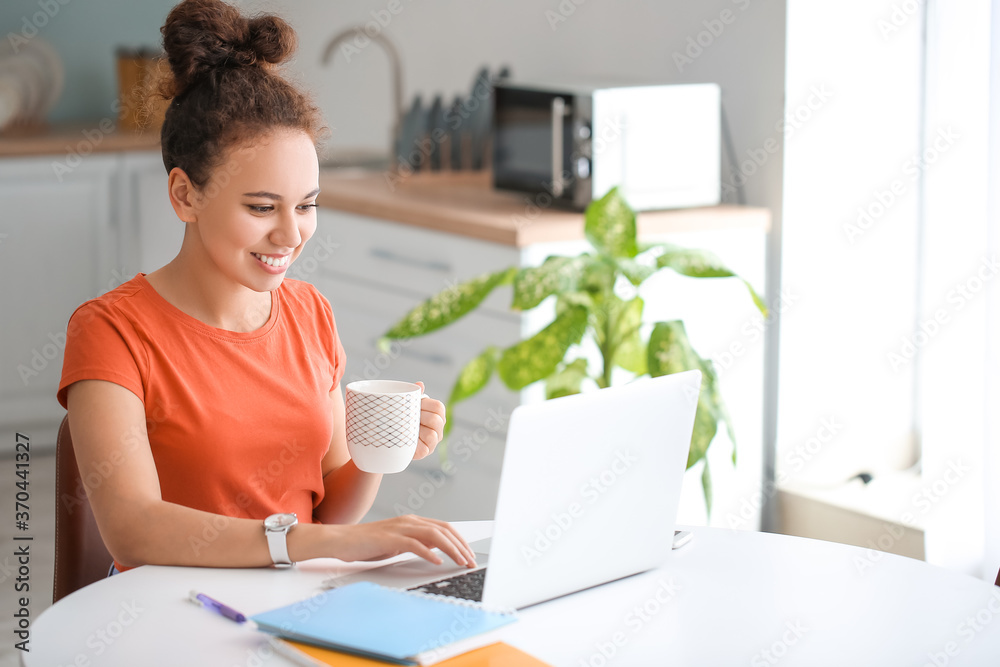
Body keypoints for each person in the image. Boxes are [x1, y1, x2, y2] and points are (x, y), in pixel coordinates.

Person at [56, 0, 476, 575]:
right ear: (185, 196)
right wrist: (315, 546)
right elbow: (134, 530)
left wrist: (377, 453)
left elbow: (331, 514)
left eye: (307, 205)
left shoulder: (310, 314)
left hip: (292, 600)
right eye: (260, 207)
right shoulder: (111, 332)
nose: (290, 233)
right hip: (175, 614)